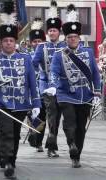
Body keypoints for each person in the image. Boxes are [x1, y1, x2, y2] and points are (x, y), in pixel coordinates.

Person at [0, 1, 41, 178]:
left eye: (11, 40)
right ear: (1, 42)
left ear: (15, 41)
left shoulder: (26, 59)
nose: (8, 43)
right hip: (0, 104)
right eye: (5, 40)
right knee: (5, 131)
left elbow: (32, 83)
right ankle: (8, 162)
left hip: (20, 104)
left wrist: (35, 103)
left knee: (13, 133)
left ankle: (8, 158)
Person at [50, 4, 101, 168]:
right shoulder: (59, 55)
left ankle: (77, 153)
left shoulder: (88, 52)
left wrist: (97, 92)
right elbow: (54, 72)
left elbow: (94, 73)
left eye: (75, 37)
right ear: (66, 39)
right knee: (69, 122)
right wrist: (54, 85)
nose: (72, 39)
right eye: (70, 37)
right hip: (66, 94)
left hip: (85, 95)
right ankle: (71, 144)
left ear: (79, 38)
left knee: (81, 127)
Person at [32, 0, 66, 158]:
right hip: (45, 87)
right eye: (50, 30)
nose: (52, 33)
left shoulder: (66, 47)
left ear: (59, 32)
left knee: (54, 118)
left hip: (62, 89)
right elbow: (33, 65)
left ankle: (49, 144)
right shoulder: (41, 47)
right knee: (43, 116)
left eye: (54, 30)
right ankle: (38, 139)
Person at [28, 17, 47, 152]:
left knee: (42, 115)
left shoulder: (47, 55)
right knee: (31, 115)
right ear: (30, 43)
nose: (37, 43)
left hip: (41, 91)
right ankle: (33, 134)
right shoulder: (25, 55)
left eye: (39, 41)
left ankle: (38, 141)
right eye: (34, 41)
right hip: (28, 91)